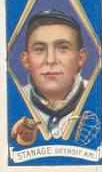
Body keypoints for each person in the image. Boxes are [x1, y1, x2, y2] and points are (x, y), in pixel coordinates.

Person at [19, 9, 88, 140]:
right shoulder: (13, 99)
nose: (50, 60)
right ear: (26, 60)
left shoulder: (97, 94)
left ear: (81, 58)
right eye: (40, 49)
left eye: (63, 48)